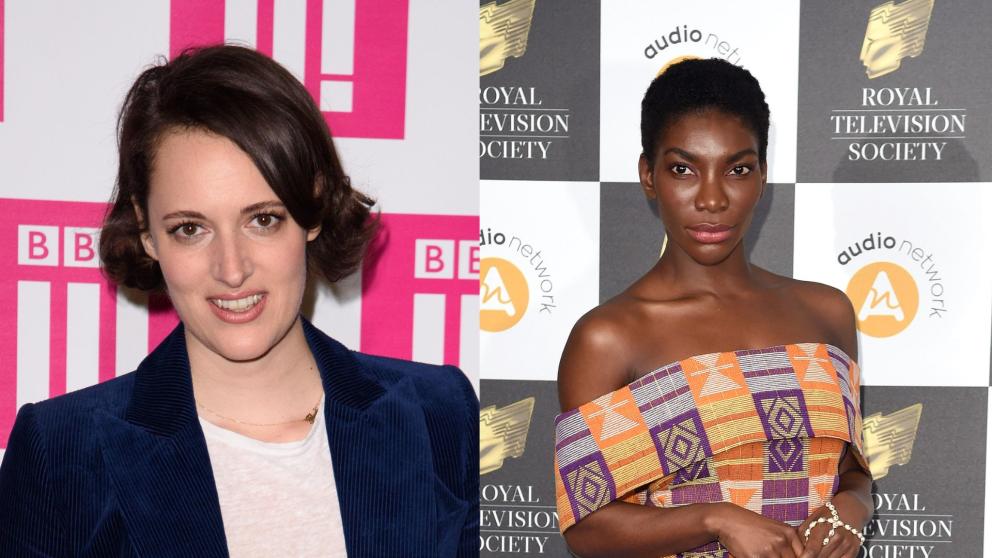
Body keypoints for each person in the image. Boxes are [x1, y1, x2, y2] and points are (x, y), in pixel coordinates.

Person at [0, 45, 478, 557]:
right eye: (190, 228)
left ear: (311, 207)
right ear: (145, 231)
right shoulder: (61, 453)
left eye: (263, 219)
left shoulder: (440, 414)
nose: (232, 269)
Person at [553, 58, 872, 558]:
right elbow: (586, 527)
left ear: (762, 176)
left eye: (737, 169)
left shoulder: (827, 313)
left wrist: (855, 506)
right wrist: (716, 519)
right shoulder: (609, 336)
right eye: (683, 169)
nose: (712, 198)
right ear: (648, 175)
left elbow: (850, 470)